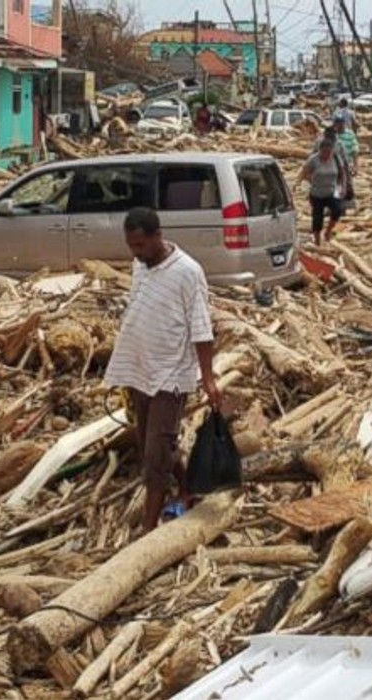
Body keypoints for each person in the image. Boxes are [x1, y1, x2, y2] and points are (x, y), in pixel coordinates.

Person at [104, 207, 222, 533]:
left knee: (155, 457)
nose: (136, 253)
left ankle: (147, 529)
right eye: (131, 246)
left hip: (172, 375)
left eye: (141, 245)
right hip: (140, 370)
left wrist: (208, 379)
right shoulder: (140, 266)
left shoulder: (187, 272)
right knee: (154, 445)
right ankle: (188, 488)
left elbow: (201, 328)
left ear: (158, 236)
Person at [299, 138, 347, 246]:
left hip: (331, 191)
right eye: (324, 152)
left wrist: (343, 187)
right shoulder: (313, 159)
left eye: (328, 152)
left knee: (337, 210)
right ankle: (317, 240)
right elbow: (304, 172)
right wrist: (309, 180)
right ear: (320, 150)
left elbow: (343, 173)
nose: (326, 155)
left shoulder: (335, 158)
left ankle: (328, 230)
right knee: (317, 218)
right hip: (317, 194)